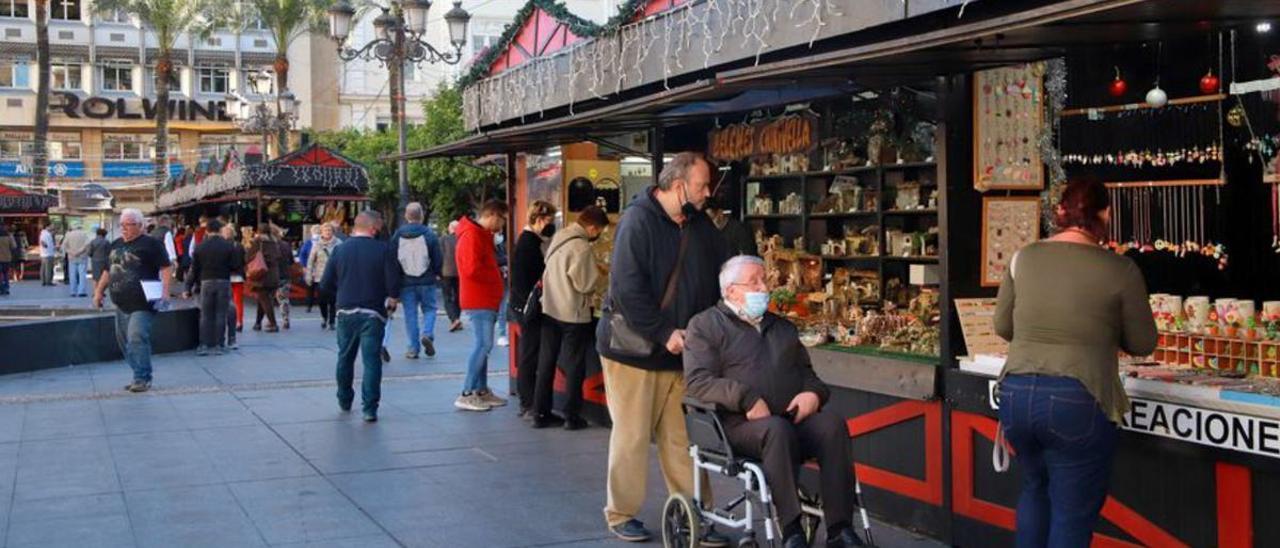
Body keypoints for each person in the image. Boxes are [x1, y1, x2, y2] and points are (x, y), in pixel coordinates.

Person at [994, 178, 1157, 547]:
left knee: (1035, 489)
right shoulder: (1120, 269)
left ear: (1060, 214)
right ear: (1105, 214)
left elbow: (1003, 326)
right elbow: (1143, 342)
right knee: (1071, 511)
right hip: (1078, 397)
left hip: (1016, 395)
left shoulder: (1023, 257)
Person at [684, 256, 864, 548]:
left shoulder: (783, 328)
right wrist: (745, 397)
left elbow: (810, 377)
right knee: (775, 431)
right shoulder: (704, 326)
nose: (764, 286)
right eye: (754, 281)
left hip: (790, 418)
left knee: (832, 424)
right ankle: (791, 529)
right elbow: (698, 382)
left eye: (764, 279)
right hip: (737, 426)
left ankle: (840, 528)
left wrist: (813, 395)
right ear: (731, 291)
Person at [596, 151, 729, 544]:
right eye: (702, 185)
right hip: (635, 351)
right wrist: (663, 332)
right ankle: (621, 513)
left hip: (683, 352)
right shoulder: (638, 221)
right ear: (678, 185)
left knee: (684, 439)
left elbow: (720, 274)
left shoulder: (701, 224)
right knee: (632, 436)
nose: (708, 193)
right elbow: (626, 290)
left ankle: (694, 514)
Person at [320, 210, 402, 422]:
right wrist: (391, 298)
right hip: (373, 312)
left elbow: (325, 284)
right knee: (371, 360)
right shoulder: (384, 250)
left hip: (345, 311)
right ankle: (369, 408)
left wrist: (342, 293)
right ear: (373, 228)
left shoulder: (339, 250)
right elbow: (394, 284)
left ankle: (344, 399)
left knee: (345, 357)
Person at [535, 205, 607, 430]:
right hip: (572, 313)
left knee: (546, 362)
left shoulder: (560, 237)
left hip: (549, 308)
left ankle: (540, 412)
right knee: (575, 364)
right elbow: (584, 283)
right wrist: (599, 277)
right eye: (600, 231)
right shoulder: (581, 247)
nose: (598, 235)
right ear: (592, 227)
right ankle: (571, 415)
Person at [93, 208, 173, 393]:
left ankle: (142, 378)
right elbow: (107, 271)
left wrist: (165, 291)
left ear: (139, 225)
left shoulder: (151, 244)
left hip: (143, 302)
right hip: (120, 302)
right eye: (122, 224)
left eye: (128, 224)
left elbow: (166, 267)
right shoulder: (115, 244)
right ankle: (138, 373)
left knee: (136, 336)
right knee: (124, 342)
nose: (123, 228)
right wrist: (98, 292)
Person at [454, 200, 510, 412]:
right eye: (503, 219)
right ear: (493, 215)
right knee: (483, 345)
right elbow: (471, 270)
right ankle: (467, 392)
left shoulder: (478, 235)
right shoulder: (472, 236)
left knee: (483, 346)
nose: (502, 225)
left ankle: (481, 390)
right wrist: (494, 276)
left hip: (484, 298)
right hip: (479, 299)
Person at [511, 200, 557, 418]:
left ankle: (527, 401)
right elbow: (533, 279)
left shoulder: (528, 241)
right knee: (530, 355)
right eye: (549, 220)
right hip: (529, 308)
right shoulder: (529, 244)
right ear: (539, 220)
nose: (551, 225)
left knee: (528, 355)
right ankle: (529, 402)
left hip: (523, 307)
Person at [389, 202, 444, 359]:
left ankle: (413, 348)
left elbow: (393, 262)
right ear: (421, 215)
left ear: (406, 216)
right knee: (430, 309)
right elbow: (437, 258)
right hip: (427, 280)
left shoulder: (397, 235)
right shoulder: (429, 234)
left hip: (406, 282)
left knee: (410, 314)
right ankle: (427, 333)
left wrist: (394, 284)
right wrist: (438, 273)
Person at [186, 219, 241, 356]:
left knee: (205, 315)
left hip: (206, 282)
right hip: (223, 281)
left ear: (207, 230)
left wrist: (188, 287)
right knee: (220, 314)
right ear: (220, 230)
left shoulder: (200, 247)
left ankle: (203, 345)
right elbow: (235, 265)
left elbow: (194, 269)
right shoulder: (228, 246)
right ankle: (219, 345)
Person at [247, 223, 283, 332]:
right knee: (263, 299)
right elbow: (279, 256)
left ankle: (273, 323)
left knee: (264, 299)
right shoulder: (275, 242)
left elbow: (248, 257)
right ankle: (257, 323)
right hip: (274, 274)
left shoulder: (258, 241)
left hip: (262, 274)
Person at [307, 224, 339, 330]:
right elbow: (311, 261)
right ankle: (324, 317)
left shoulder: (339, 244)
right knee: (321, 300)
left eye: (329, 230)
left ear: (333, 232)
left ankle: (332, 321)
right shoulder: (317, 245)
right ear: (321, 232)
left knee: (333, 300)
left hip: (335, 276)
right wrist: (309, 275)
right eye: (325, 230)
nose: (327, 232)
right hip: (320, 276)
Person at [221, 223, 245, 349]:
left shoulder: (223, 247)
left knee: (226, 301)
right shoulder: (239, 246)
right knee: (238, 301)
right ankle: (239, 322)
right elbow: (243, 260)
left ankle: (226, 323)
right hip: (239, 276)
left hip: (226, 276)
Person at [440, 220, 463, 332]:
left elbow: (440, 255)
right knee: (458, 297)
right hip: (460, 273)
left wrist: (438, 271)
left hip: (446, 272)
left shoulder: (444, 239)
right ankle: (457, 318)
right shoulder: (462, 239)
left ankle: (454, 319)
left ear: (450, 229)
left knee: (447, 297)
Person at [273, 225, 295, 330]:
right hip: (284, 275)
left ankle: (270, 320)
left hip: (271, 276)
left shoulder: (266, 245)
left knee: (267, 300)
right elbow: (291, 261)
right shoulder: (286, 245)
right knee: (284, 299)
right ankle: (285, 319)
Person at [63, 224, 91, 297]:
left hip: (72, 257)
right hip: (82, 257)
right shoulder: (84, 234)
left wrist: (71, 252)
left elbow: (64, 246)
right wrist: (80, 251)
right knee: (82, 275)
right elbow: (87, 244)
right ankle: (81, 291)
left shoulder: (68, 235)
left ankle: (73, 291)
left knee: (72, 275)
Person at [299, 225, 320, 312]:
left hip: (321, 268)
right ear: (312, 233)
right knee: (309, 288)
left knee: (322, 288)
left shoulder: (324, 243)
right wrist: (304, 266)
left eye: (318, 231)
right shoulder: (308, 243)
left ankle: (323, 305)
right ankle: (309, 305)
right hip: (310, 268)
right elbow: (302, 255)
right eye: (315, 231)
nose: (317, 233)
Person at [495, 234, 510, 347]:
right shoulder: (492, 246)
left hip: (502, 280)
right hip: (495, 281)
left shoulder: (500, 246)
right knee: (500, 309)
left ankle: (502, 334)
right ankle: (501, 334)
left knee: (502, 309)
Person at [0, 225, 14, 296]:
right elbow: (14, 246)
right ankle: (6, 288)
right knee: (6, 274)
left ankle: (1, 289)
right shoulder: (9, 237)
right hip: (7, 258)